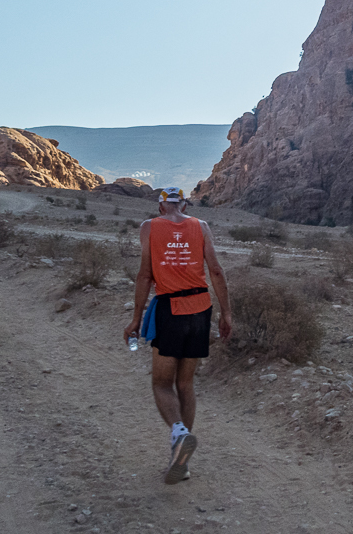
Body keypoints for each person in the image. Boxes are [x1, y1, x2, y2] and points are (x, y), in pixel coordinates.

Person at [123, 187, 232, 485]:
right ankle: (181, 462)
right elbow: (217, 272)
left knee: (161, 383)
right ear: (182, 204)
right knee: (185, 382)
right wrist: (226, 313)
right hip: (201, 309)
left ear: (161, 206)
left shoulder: (149, 227)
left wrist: (135, 319)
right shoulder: (202, 226)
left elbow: (145, 275)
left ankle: (179, 433)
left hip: (170, 310)